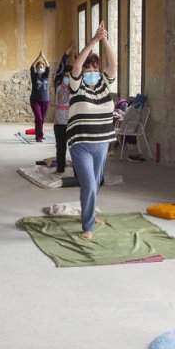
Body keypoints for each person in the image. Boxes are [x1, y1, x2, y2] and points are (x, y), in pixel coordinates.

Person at [68, 21, 117, 239]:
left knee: (96, 182)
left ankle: (89, 214)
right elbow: (76, 66)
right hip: (81, 143)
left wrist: (104, 38)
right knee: (88, 183)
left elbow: (114, 63)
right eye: (89, 68)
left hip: (103, 142)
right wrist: (92, 41)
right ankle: (87, 227)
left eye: (95, 68)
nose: (92, 71)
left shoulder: (105, 84)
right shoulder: (76, 85)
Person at [52, 42, 75, 173]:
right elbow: (60, 68)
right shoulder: (58, 85)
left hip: (72, 123)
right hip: (59, 123)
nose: (68, 78)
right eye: (66, 76)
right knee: (60, 147)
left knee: (75, 147)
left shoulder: (75, 87)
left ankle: (78, 169)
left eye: (70, 76)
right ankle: (60, 168)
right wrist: (67, 53)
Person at [29, 51, 51, 142]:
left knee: (41, 120)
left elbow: (48, 66)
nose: (40, 69)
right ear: (37, 68)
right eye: (38, 67)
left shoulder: (46, 75)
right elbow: (31, 67)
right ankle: (39, 137)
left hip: (45, 100)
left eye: (41, 67)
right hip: (35, 100)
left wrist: (44, 58)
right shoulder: (34, 76)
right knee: (39, 118)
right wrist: (38, 57)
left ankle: (39, 134)